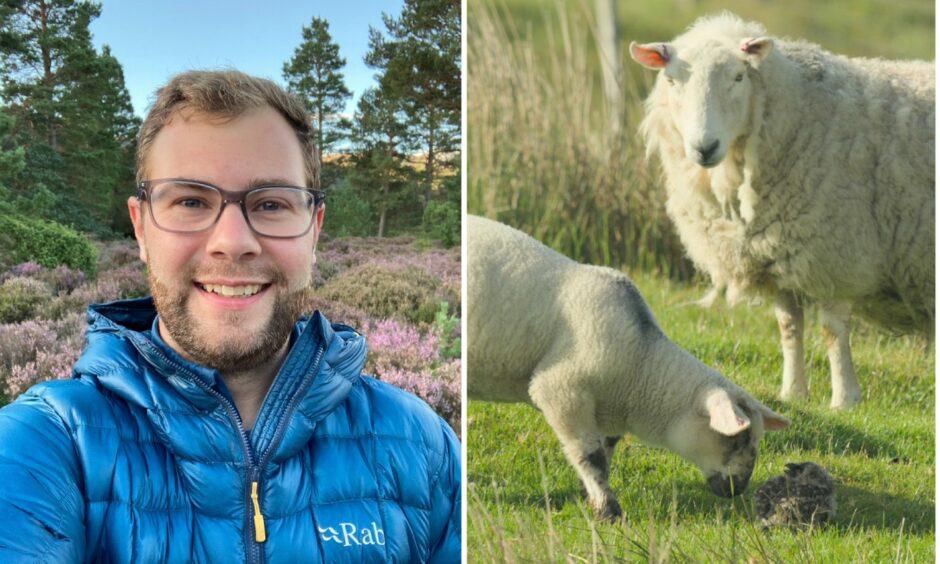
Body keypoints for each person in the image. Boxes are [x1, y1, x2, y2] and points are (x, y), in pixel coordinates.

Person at [0, 70, 461, 563]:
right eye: (192, 201)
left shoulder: (423, 446)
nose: (233, 242)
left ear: (314, 229)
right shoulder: (44, 445)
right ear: (140, 226)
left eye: (270, 204)